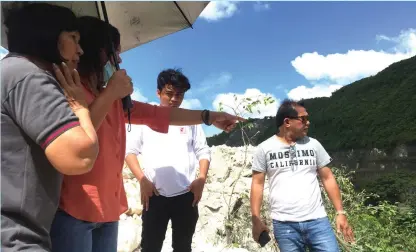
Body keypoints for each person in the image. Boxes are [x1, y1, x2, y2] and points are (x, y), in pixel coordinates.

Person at [50, 16, 244, 252]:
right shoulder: (71, 89)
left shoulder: (116, 100)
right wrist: (111, 92)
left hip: (108, 211)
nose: (119, 59)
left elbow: (160, 115)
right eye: (114, 53)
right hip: (76, 211)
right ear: (95, 52)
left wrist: (210, 116)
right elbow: (79, 140)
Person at [1, 3, 99, 252]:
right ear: (48, 35)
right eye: (73, 38)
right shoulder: (30, 76)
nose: (80, 49)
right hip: (16, 239)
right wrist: (79, 105)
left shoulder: (9, 72)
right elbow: (80, 156)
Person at [250, 99, 354, 252]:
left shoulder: (314, 145)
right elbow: (257, 184)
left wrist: (340, 212)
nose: (308, 123)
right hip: (284, 224)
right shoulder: (264, 149)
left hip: (318, 221)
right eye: (303, 119)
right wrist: (255, 219)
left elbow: (328, 178)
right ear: (287, 122)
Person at [125, 68, 211, 252]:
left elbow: (203, 151)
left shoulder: (190, 121)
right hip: (154, 195)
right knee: (150, 246)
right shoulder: (145, 117)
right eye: (169, 94)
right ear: (158, 92)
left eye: (179, 95)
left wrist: (201, 178)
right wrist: (142, 180)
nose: (174, 99)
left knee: (183, 246)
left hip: (186, 195)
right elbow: (130, 152)